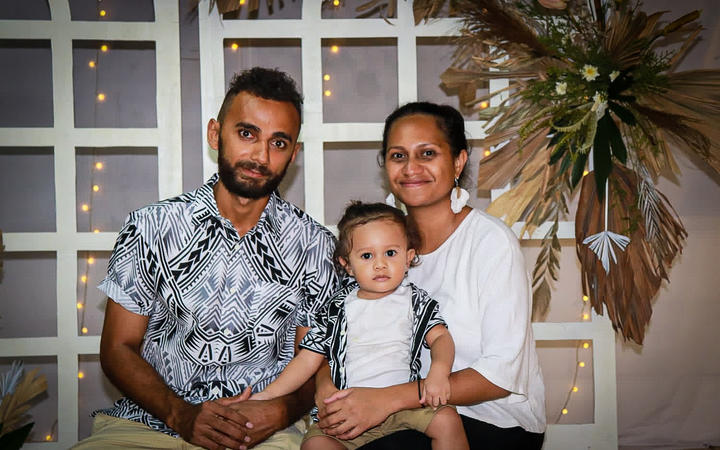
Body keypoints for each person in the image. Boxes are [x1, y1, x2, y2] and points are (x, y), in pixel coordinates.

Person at [73, 67, 339, 450]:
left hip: (263, 431)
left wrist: (281, 411)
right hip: (150, 424)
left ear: (293, 154)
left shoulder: (315, 245)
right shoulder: (151, 227)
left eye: (278, 143)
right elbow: (118, 348)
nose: (261, 155)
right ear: (216, 134)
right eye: (247, 133)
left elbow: (316, 361)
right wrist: (180, 414)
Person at [314, 102, 546, 449]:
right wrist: (326, 389)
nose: (411, 168)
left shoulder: (490, 242)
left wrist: (389, 399)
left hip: (491, 418)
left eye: (427, 153)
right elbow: (333, 329)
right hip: (396, 411)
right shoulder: (376, 243)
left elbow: (501, 375)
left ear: (458, 161)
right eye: (398, 156)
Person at [252, 201, 470, 450]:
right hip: (348, 412)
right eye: (367, 256)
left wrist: (440, 371)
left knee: (447, 419)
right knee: (315, 445)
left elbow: (440, 337)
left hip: (403, 406)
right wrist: (267, 395)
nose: (380, 264)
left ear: (408, 257)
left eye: (390, 253)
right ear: (347, 265)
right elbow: (307, 360)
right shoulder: (335, 309)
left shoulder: (415, 300)